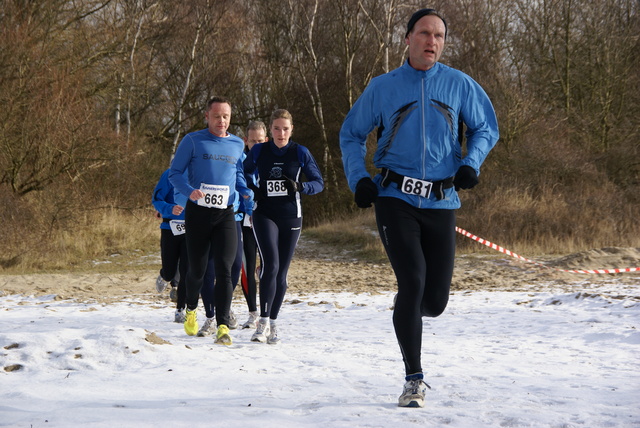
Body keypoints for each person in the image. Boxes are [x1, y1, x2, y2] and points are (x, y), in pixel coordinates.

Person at [339, 9, 499, 408]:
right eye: (425, 33)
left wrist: (470, 163)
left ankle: (406, 310)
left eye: (440, 35)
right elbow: (351, 134)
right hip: (395, 198)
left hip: (442, 199)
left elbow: (486, 128)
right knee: (412, 280)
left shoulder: (460, 85)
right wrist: (359, 178)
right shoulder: (383, 87)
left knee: (435, 301)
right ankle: (414, 378)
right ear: (407, 38)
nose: (433, 41)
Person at [169, 96, 252, 345]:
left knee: (226, 271)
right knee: (197, 270)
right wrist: (189, 191)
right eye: (217, 116)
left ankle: (223, 325)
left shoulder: (238, 144)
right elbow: (174, 173)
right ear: (207, 116)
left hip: (225, 214)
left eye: (226, 116)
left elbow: (238, 175)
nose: (221, 121)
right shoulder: (193, 140)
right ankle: (191, 309)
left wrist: (246, 191)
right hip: (198, 213)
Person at [243, 109, 324, 344]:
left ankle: (274, 324)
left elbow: (319, 183)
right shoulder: (259, 150)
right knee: (271, 265)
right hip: (264, 213)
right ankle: (263, 323)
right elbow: (243, 171)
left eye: (285, 129)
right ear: (270, 130)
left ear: (291, 130)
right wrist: (252, 189)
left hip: (291, 216)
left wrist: (300, 187)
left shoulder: (300, 152)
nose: (281, 133)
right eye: (276, 128)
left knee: (281, 272)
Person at [238, 120, 268, 329]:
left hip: (268, 221)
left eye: (260, 141)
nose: (256, 145)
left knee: (270, 267)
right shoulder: (238, 162)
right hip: (246, 221)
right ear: (245, 141)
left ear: (266, 140)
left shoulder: (273, 159)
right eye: (252, 141)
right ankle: (252, 313)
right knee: (246, 268)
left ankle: (267, 311)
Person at [151, 168, 188, 323]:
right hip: (170, 227)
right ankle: (164, 275)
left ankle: (181, 309)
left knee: (187, 270)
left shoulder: (201, 173)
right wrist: (169, 208)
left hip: (192, 229)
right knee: (170, 270)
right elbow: (157, 199)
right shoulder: (169, 174)